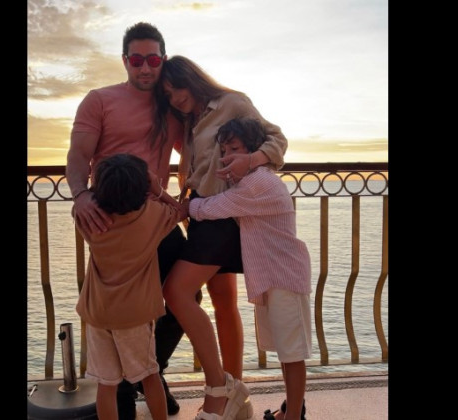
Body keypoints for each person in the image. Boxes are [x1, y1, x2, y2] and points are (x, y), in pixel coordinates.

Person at [66, 22, 200, 419]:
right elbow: (78, 154)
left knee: (186, 298)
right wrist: (81, 195)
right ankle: (132, 385)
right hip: (114, 219)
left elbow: (200, 146)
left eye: (153, 60)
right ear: (125, 60)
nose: (145, 68)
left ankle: (144, 374)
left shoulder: (172, 104)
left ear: (163, 60)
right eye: (137, 60)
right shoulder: (99, 100)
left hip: (157, 218)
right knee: (121, 303)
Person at [156, 56, 289, 419]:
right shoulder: (190, 120)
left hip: (224, 216)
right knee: (223, 302)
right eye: (168, 94)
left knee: (176, 292)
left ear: (192, 79)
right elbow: (198, 168)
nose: (175, 98)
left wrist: (252, 160)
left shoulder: (232, 103)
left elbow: (277, 139)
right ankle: (236, 396)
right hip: (202, 213)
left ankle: (218, 390)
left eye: (177, 88)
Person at [186, 118, 312, 420]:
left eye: (235, 149)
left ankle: (294, 416)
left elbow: (213, 207)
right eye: (224, 151)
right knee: (286, 351)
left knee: (292, 354)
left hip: (285, 278)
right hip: (273, 278)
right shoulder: (251, 181)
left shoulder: (258, 184)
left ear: (253, 151)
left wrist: (184, 207)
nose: (227, 157)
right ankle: (291, 411)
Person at [75, 153, 188, 420]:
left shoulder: (89, 219)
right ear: (142, 188)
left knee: (106, 384)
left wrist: (91, 191)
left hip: (98, 313)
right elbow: (181, 210)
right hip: (135, 315)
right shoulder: (152, 216)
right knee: (149, 375)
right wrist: (158, 189)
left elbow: (83, 204)